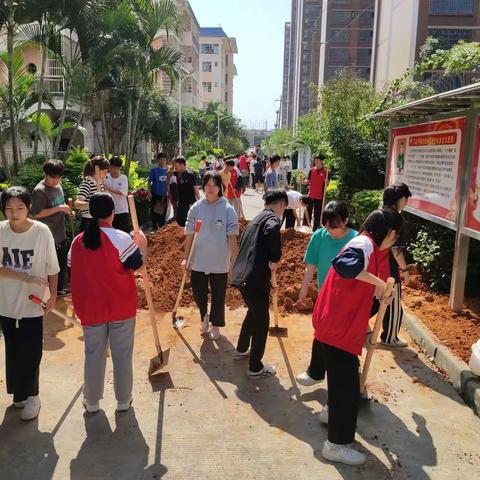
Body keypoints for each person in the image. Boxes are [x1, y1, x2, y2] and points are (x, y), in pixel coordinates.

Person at [304, 208, 401, 466]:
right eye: (394, 237)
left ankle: (331, 415)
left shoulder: (374, 249)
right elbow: (346, 266)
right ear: (389, 233)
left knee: (342, 385)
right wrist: (382, 286)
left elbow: (363, 295)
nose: (393, 242)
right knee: (348, 392)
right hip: (337, 329)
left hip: (339, 326)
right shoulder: (363, 244)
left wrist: (369, 330)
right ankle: (335, 445)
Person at [68, 193, 147, 413]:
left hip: (91, 309)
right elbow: (138, 266)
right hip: (121, 306)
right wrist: (142, 244)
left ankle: (91, 402)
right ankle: (124, 400)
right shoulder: (120, 238)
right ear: (112, 213)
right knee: (122, 355)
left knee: (93, 355)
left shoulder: (78, 242)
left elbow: (73, 272)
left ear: (91, 212)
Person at [0, 187, 59, 421]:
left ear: (29, 208)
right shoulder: (1, 232)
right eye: (8, 208)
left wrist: (53, 296)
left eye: (19, 208)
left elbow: (53, 268)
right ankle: (19, 395)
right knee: (13, 350)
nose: (14, 213)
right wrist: (23, 277)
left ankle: (33, 396)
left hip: (33, 303)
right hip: (6, 303)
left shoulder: (42, 232)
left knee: (32, 351)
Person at [296, 201, 358, 385]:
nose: (330, 230)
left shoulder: (356, 240)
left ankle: (351, 383)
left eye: (334, 226)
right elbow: (311, 266)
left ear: (346, 220)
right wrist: (304, 287)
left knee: (343, 342)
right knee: (321, 332)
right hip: (326, 295)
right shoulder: (319, 236)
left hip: (348, 300)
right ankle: (315, 372)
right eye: (327, 226)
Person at [231, 189, 288, 378]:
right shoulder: (272, 219)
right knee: (262, 320)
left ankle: (241, 348)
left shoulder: (255, 220)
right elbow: (272, 230)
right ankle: (255, 367)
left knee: (253, 313)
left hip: (241, 276)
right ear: (280, 204)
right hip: (254, 279)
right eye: (284, 208)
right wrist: (275, 257)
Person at [183, 171, 239, 339]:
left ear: (220, 187)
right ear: (203, 186)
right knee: (198, 293)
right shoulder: (196, 207)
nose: (210, 188)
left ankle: (216, 324)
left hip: (219, 261)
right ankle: (204, 317)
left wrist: (233, 262)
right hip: (198, 259)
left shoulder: (228, 209)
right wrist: (186, 258)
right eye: (207, 185)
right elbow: (189, 234)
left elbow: (232, 238)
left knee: (218, 294)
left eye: (214, 185)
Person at [375, 182, 412, 347]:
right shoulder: (395, 218)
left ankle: (355, 325)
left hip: (374, 265)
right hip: (388, 268)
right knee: (394, 303)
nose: (407, 202)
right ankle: (390, 337)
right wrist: (404, 270)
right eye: (406, 198)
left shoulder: (379, 214)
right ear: (401, 198)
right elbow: (396, 250)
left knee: (376, 300)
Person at [30, 159, 71, 295]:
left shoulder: (58, 185)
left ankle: (58, 290)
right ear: (45, 174)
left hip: (60, 232)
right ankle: (48, 293)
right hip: (47, 235)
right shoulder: (40, 191)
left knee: (61, 262)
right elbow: (37, 213)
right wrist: (59, 208)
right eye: (52, 177)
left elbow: (60, 202)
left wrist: (67, 210)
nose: (56, 180)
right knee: (49, 266)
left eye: (58, 177)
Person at [75, 156, 110, 232]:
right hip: (88, 221)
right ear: (98, 170)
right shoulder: (87, 183)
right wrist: (93, 204)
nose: (106, 174)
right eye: (105, 171)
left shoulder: (100, 183)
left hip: (98, 220)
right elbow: (77, 204)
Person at [103, 155, 130, 233]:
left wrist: (108, 188)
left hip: (122, 210)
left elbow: (122, 192)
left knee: (125, 232)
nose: (116, 170)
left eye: (118, 168)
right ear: (110, 167)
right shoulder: (106, 178)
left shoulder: (123, 178)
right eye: (114, 168)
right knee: (113, 233)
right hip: (110, 211)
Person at [303, 154, 328, 231]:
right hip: (310, 195)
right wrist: (304, 182)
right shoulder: (311, 170)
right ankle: (305, 228)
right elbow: (308, 180)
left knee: (317, 216)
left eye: (317, 160)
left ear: (322, 161)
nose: (316, 161)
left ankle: (315, 231)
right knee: (307, 213)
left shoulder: (326, 171)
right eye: (315, 160)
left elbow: (327, 184)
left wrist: (326, 182)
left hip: (319, 197)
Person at [174, 157, 200, 227]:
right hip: (181, 202)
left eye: (176, 166)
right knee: (181, 221)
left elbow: (195, 188)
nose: (175, 168)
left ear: (182, 165)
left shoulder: (190, 175)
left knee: (190, 220)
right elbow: (169, 170)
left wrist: (199, 201)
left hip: (190, 202)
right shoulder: (177, 174)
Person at [148, 152, 170, 230]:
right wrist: (149, 192)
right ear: (158, 160)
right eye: (161, 159)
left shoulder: (168, 170)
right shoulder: (154, 170)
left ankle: (162, 225)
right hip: (155, 194)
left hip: (164, 195)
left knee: (163, 210)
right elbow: (149, 181)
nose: (163, 161)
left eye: (164, 159)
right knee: (154, 210)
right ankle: (154, 225)